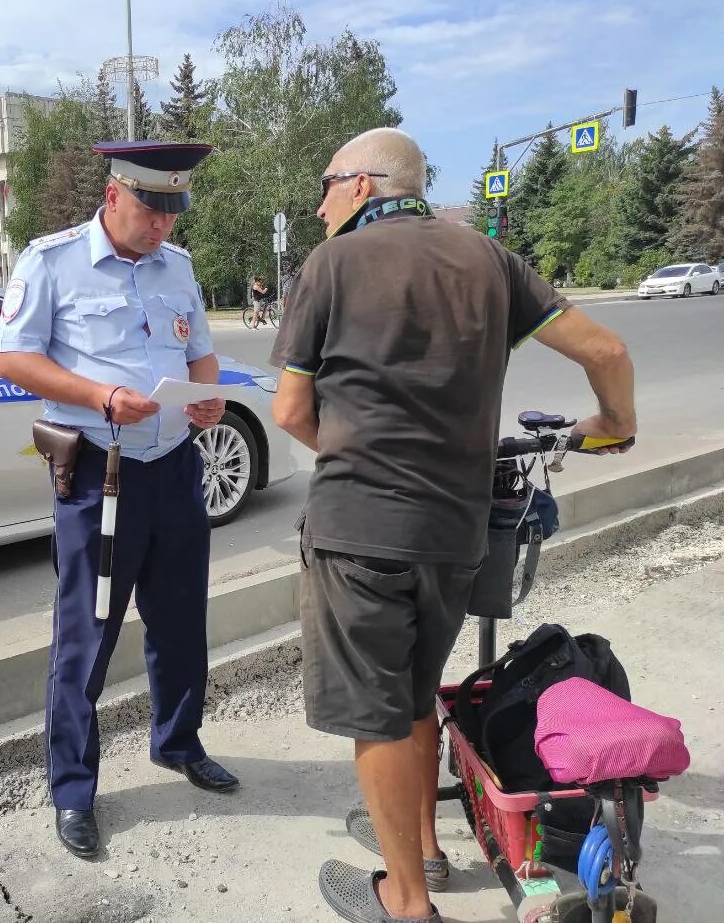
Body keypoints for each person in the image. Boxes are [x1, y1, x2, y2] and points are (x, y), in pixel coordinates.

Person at [269, 128, 636, 923]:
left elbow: (292, 410)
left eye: (327, 185)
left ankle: (405, 900)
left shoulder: (330, 266)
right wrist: (613, 424)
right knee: (411, 696)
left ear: (364, 186)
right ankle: (424, 851)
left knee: (376, 713)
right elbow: (605, 349)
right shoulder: (489, 262)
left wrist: (367, 461)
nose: (322, 203)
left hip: (358, 532)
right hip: (455, 531)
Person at [0, 139, 240, 860]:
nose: (162, 226)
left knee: (180, 621)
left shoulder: (179, 267)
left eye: (172, 213)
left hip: (172, 468)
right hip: (100, 476)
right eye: (149, 211)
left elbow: (198, 352)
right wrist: (101, 395)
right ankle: (73, 789)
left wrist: (209, 396)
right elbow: (12, 357)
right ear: (113, 197)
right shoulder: (52, 260)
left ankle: (178, 743)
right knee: (87, 637)